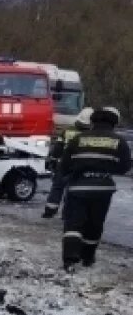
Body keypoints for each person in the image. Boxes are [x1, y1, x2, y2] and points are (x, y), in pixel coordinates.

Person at [54, 106, 131, 270]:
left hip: (78, 187)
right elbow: (124, 167)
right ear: (114, 123)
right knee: (95, 223)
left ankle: (69, 258)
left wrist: (69, 175)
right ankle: (88, 257)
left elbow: (64, 165)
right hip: (103, 189)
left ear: (92, 121)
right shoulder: (118, 141)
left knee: (73, 223)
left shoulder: (78, 139)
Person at [43, 107, 93, 218]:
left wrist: (53, 159)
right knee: (72, 189)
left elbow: (57, 149)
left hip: (64, 163)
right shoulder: (91, 135)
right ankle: (66, 214)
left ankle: (49, 211)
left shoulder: (68, 131)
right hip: (80, 165)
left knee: (57, 187)